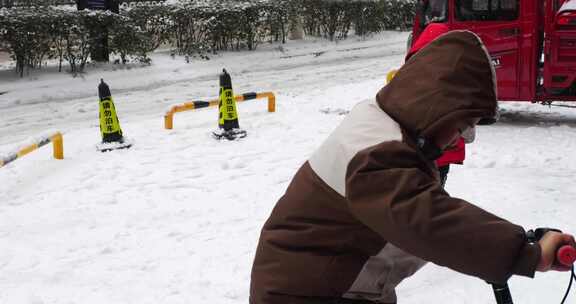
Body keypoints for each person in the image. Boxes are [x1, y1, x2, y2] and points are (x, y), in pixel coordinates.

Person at [250, 30, 575, 304]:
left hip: (339, 286)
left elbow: (423, 216)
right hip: (305, 294)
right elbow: (426, 220)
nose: (462, 138)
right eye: (463, 125)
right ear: (439, 106)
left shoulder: (388, 132)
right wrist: (525, 253)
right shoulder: (375, 150)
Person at [405, 23, 476, 187]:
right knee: (434, 195)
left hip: (415, 155)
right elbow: (469, 134)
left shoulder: (408, 79)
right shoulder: (459, 83)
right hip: (443, 155)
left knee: (415, 196)